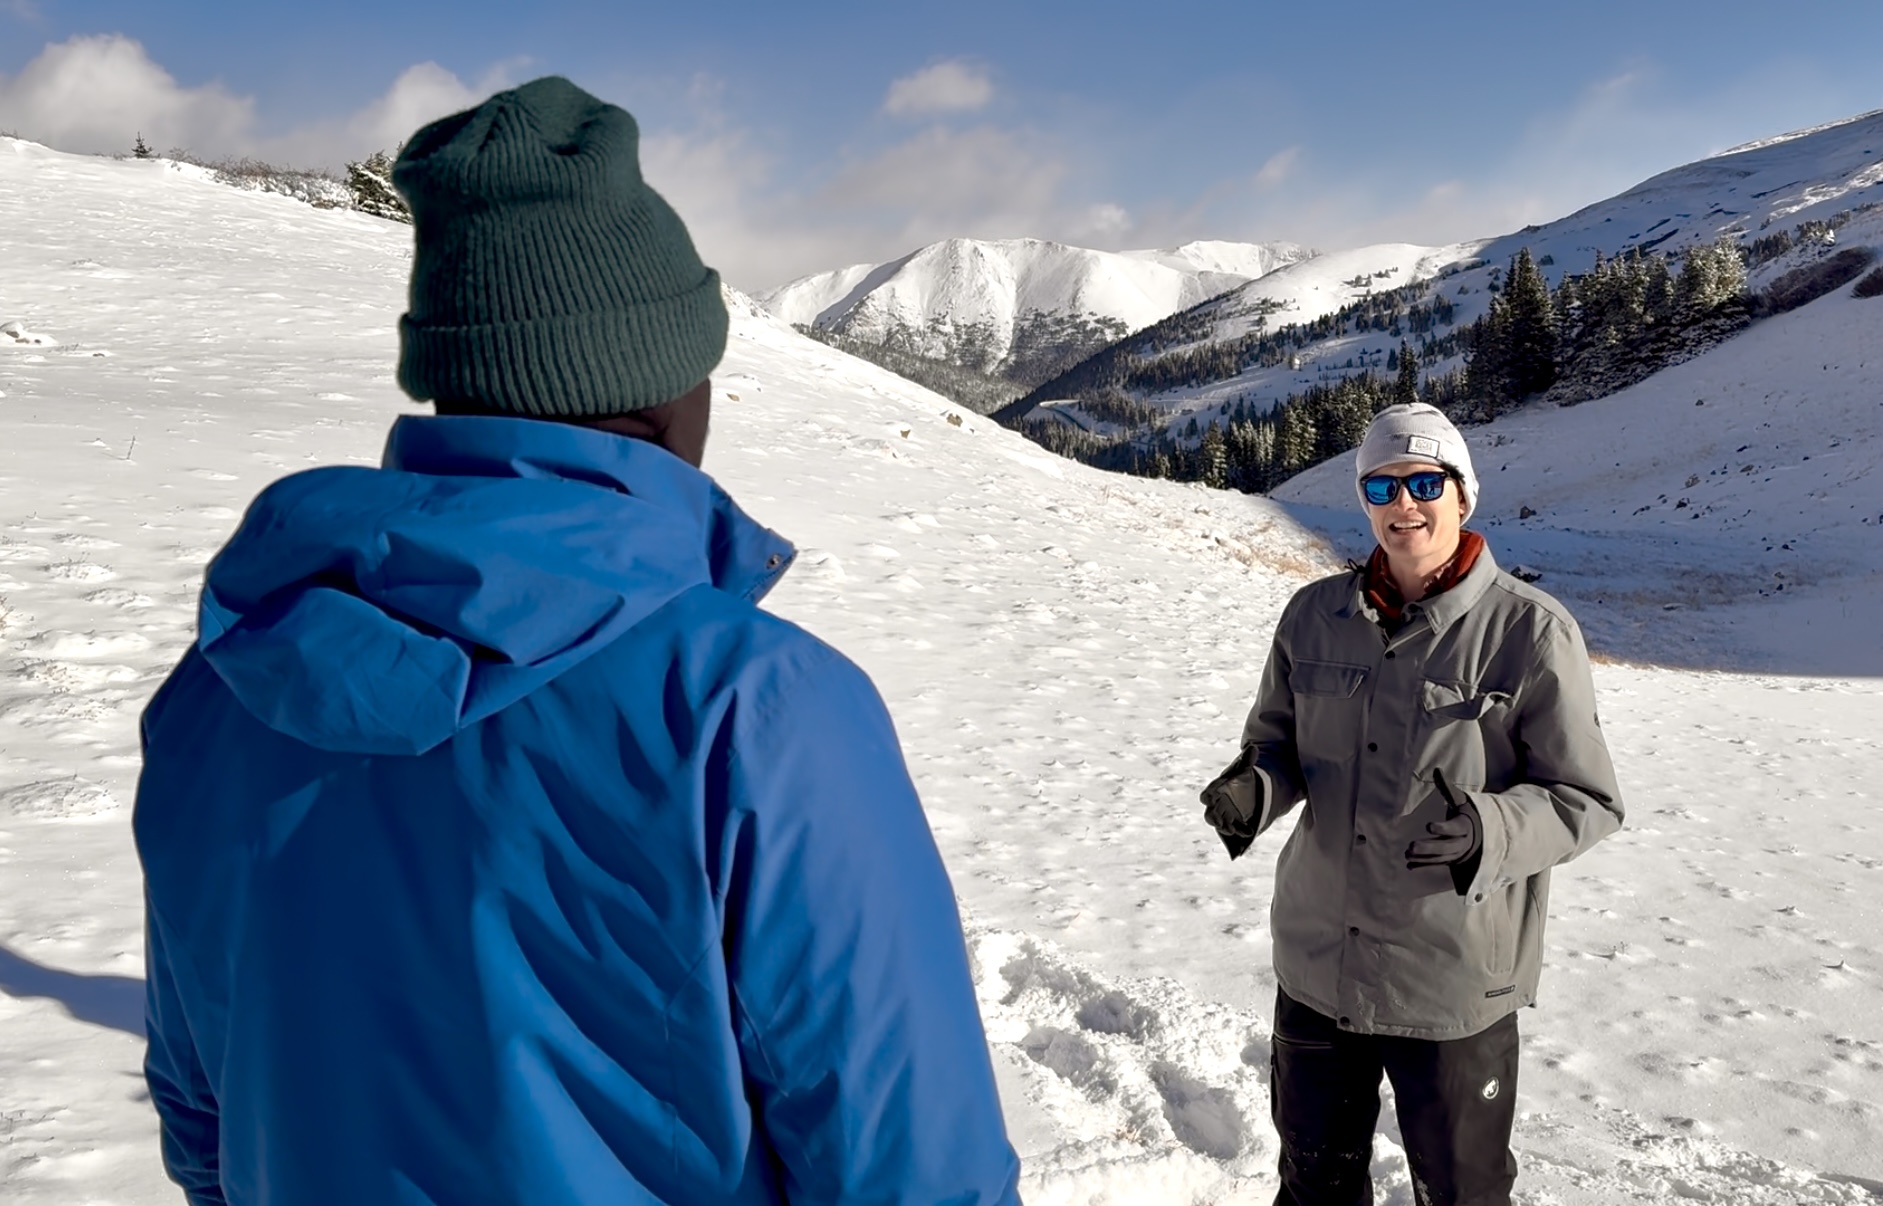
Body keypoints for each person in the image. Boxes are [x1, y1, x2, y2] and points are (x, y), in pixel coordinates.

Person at [132, 77, 1021, 1205]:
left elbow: (203, 1114)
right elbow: (915, 1174)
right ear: (663, 391)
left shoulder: (230, 681)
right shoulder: (755, 710)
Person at [1201, 402, 1623, 1205]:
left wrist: (1487, 829)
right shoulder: (1312, 617)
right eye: (1381, 487)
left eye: (1424, 482)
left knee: (1462, 1193)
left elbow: (1587, 798)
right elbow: (1277, 741)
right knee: (1314, 1186)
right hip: (1319, 963)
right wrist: (1255, 788)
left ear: (1462, 496)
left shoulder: (1529, 633)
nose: (1404, 505)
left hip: (1451, 978)